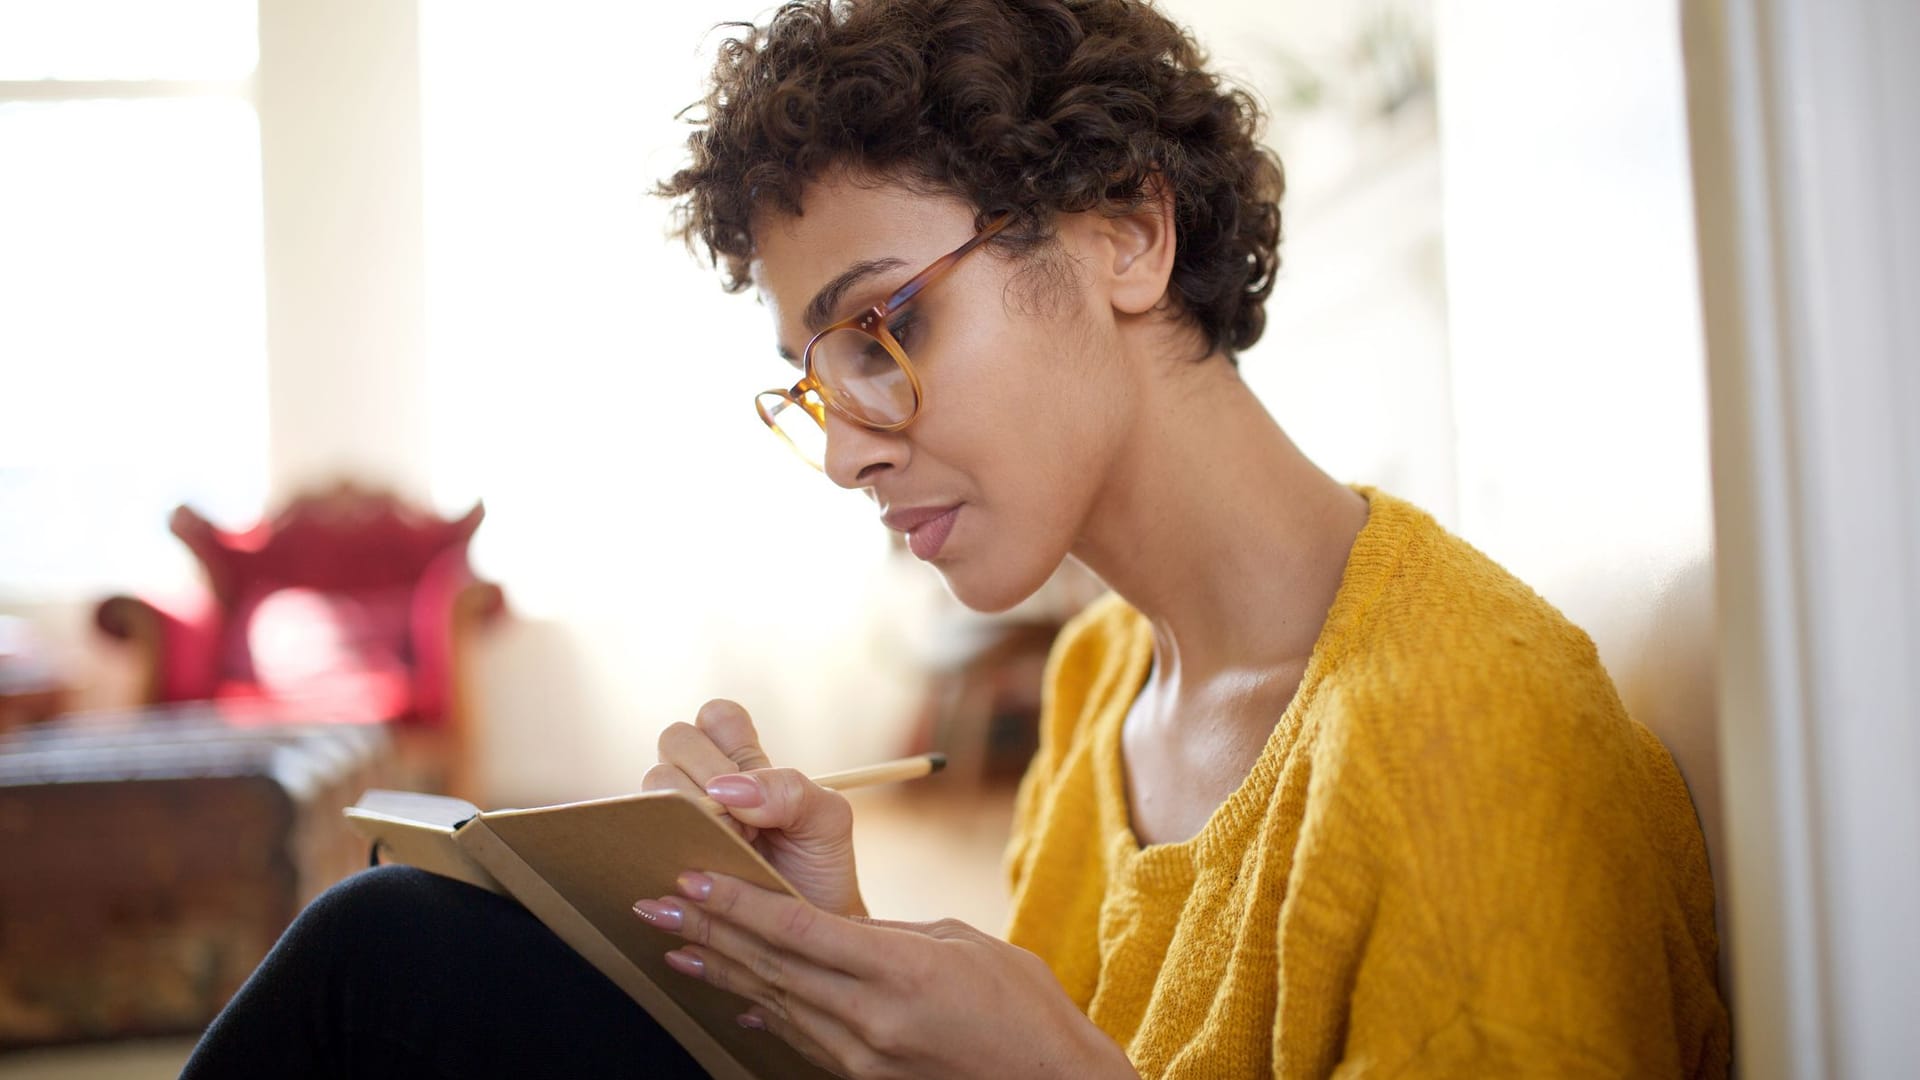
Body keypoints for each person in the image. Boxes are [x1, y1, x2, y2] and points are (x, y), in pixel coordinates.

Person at [184, 0, 1730, 1076]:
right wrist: (831, 970)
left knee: (380, 968)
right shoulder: (1110, 679)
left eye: (882, 326)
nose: (850, 444)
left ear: (1130, 229)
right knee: (398, 951)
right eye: (818, 374)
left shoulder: (1471, 744)